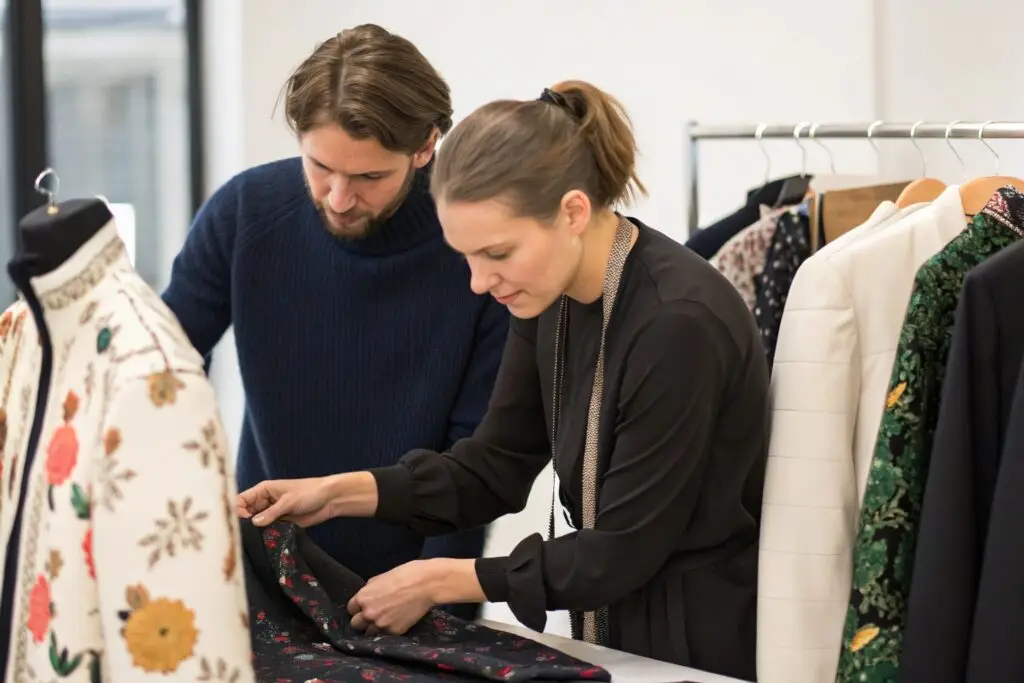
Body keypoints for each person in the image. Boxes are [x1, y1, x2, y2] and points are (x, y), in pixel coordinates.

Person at [237, 80, 769, 680]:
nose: (478, 282)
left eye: (497, 253)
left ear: (571, 212)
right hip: (614, 633)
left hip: (703, 644)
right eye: (466, 257)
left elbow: (619, 553)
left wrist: (437, 579)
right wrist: (332, 494)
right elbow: (492, 467)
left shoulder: (678, 324)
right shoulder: (551, 297)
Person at [162, 24, 509, 621]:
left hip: (414, 591)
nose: (340, 197)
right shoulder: (245, 214)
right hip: (261, 576)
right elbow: (161, 370)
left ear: (425, 147)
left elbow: (474, 459)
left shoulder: (476, 251)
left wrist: (437, 605)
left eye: (370, 177)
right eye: (321, 166)